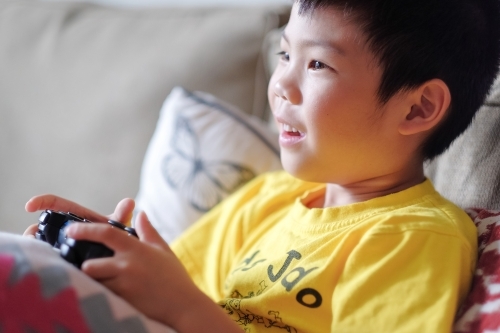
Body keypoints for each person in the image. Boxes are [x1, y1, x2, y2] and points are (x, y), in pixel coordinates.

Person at [23, 0, 500, 331]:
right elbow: (168, 295)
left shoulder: (412, 237)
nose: (281, 85)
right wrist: (99, 257)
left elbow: (183, 306)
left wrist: (186, 309)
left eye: (317, 65)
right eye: (286, 54)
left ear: (417, 109)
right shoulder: (265, 199)